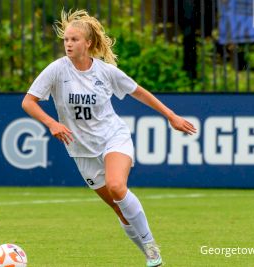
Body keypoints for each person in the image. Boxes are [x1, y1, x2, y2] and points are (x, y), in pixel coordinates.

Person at [22, 9, 196, 267]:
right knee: (117, 207)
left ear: (88, 43)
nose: (68, 44)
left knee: (117, 187)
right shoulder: (57, 70)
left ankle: (150, 245)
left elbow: (139, 92)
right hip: (81, 151)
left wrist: (170, 115)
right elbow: (28, 101)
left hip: (113, 138)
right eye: (66, 40)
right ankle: (153, 258)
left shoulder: (105, 72)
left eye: (74, 40)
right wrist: (51, 123)